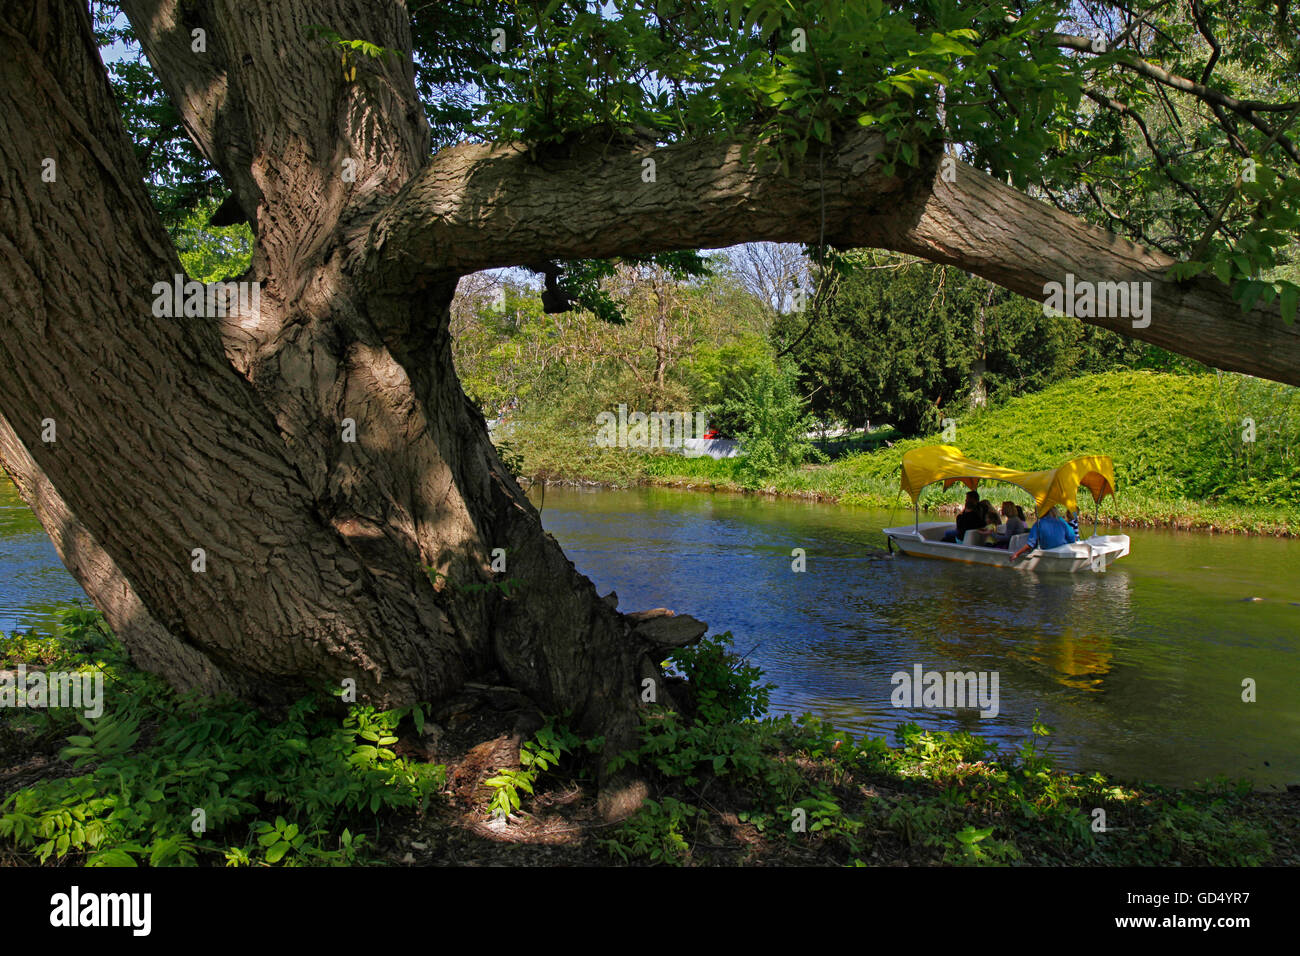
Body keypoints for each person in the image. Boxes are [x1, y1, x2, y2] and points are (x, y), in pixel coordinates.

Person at [1012, 505, 1077, 560]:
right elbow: (1072, 538)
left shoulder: (1038, 524)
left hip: (1048, 554)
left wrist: (1017, 554)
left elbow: (1029, 545)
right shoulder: (1062, 521)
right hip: (1062, 552)